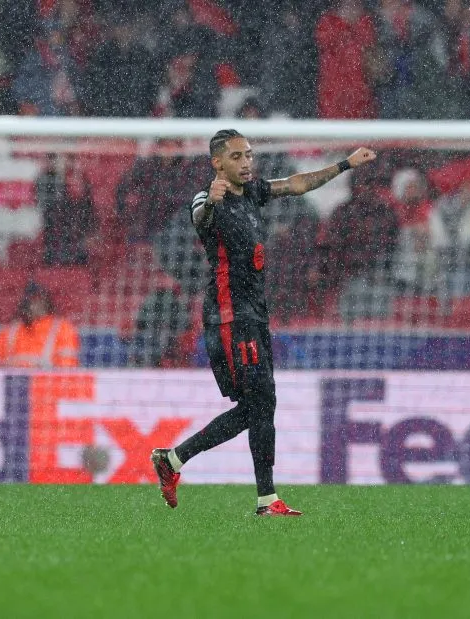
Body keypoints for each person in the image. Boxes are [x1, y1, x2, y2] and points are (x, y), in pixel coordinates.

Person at [151, 130, 376, 516]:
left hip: (254, 314)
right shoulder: (209, 200)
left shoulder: (253, 192)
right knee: (260, 402)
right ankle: (264, 497)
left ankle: (173, 460)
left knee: (259, 404)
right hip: (229, 316)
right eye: (237, 156)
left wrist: (344, 164)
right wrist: (210, 204)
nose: (246, 162)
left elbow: (297, 183)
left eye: (249, 155)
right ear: (217, 163)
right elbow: (200, 217)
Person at [0, 282, 80, 368]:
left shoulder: (63, 329)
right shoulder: (8, 332)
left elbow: (67, 369)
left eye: (38, 299)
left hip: (47, 382)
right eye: (31, 300)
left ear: (46, 301)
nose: (35, 304)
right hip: (15, 383)